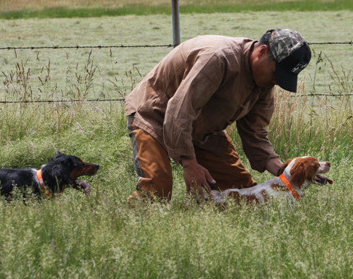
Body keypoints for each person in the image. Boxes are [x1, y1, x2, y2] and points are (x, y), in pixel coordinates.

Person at [124, 29, 311, 202]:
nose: (276, 82)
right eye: (277, 74)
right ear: (262, 52)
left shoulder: (264, 83)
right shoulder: (218, 59)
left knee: (242, 193)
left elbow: (255, 133)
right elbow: (179, 112)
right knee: (157, 190)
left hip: (200, 129)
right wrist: (190, 164)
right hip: (154, 116)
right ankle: (127, 219)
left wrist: (283, 171)